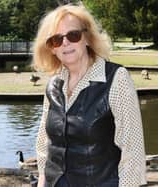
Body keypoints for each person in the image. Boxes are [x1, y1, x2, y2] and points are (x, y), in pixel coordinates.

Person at [33, 3, 146, 187]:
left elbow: (132, 152)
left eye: (73, 35)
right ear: (51, 48)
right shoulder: (53, 84)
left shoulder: (116, 79)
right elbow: (44, 144)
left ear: (87, 38)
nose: (65, 43)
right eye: (56, 39)